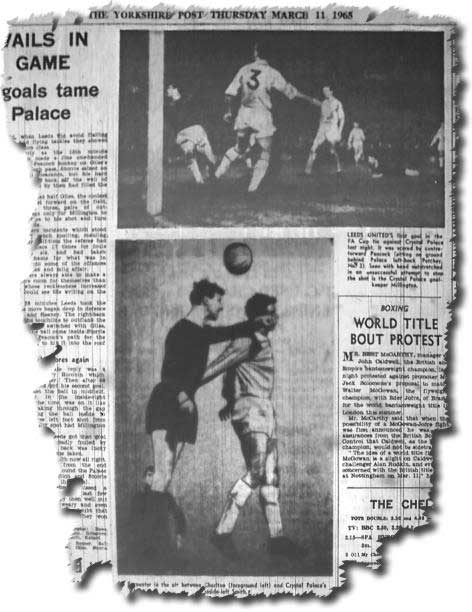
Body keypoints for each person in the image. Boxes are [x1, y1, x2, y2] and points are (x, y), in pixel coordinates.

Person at [201, 293, 305, 560]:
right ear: (254, 316)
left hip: (265, 411)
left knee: (271, 478)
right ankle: (222, 532)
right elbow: (220, 365)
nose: (273, 317)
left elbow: (231, 373)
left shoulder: (260, 340)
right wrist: (187, 385)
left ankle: (277, 539)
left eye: (275, 311)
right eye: (267, 312)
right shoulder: (246, 339)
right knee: (257, 471)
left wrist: (227, 400)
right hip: (251, 411)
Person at [145, 279, 270, 494]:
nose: (221, 306)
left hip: (184, 407)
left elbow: (230, 331)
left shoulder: (201, 334)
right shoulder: (180, 330)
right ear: (205, 299)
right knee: (161, 476)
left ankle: (154, 520)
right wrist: (183, 397)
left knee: (165, 480)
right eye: (218, 300)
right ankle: (147, 522)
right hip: (167, 402)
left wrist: (256, 323)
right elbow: (168, 374)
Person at [215, 42, 317, 193]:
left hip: (244, 113)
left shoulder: (244, 69)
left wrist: (229, 112)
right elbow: (290, 92)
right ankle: (252, 190)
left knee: (240, 147)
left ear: (256, 53)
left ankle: (216, 176)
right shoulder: (271, 72)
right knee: (266, 151)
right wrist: (310, 99)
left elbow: (229, 93)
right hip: (261, 114)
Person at [124, 467, 187, 572]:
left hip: (163, 544)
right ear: (144, 479)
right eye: (149, 475)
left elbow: (178, 515)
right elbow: (132, 521)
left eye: (154, 475)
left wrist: (179, 535)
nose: (152, 478)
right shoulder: (139, 497)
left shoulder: (166, 496)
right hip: (143, 545)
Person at [165, 83, 216, 184]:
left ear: (176, 89)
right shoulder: (167, 107)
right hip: (183, 133)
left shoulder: (187, 100)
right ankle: (199, 182)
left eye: (170, 88)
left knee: (210, 157)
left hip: (196, 130)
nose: (167, 90)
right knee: (189, 155)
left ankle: (211, 175)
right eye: (167, 89)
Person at [304, 85, 345, 175]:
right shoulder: (324, 102)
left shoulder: (337, 103)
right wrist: (320, 128)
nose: (324, 93)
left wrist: (340, 132)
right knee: (313, 148)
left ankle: (339, 169)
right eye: (323, 91)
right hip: (323, 128)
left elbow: (342, 118)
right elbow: (321, 114)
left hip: (332, 128)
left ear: (331, 92)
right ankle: (307, 171)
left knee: (333, 151)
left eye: (326, 91)